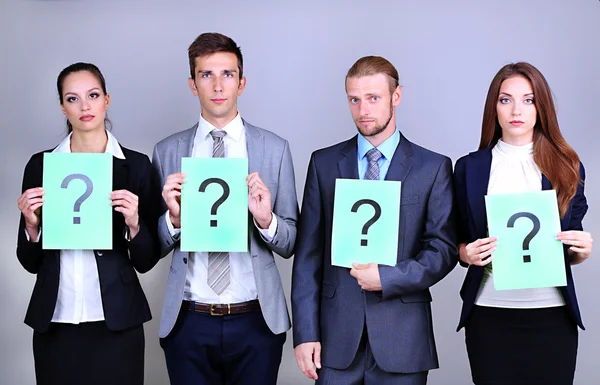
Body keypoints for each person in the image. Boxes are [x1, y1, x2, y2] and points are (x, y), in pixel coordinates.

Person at [291, 55, 458, 385]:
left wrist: (389, 277)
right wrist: (305, 333)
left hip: (402, 337)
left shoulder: (433, 167)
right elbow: (308, 255)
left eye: (373, 98)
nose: (363, 109)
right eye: (354, 99)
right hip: (335, 338)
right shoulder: (323, 164)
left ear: (396, 97)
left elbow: (443, 250)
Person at [152, 32, 298, 385]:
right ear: (193, 84)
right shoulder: (167, 151)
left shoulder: (274, 149)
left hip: (256, 320)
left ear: (241, 82)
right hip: (188, 321)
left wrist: (266, 220)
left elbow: (291, 241)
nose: (218, 85)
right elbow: (151, 247)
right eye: (206, 75)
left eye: (227, 74)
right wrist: (173, 220)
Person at [16, 62, 161, 385]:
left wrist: (135, 224)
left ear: (106, 100)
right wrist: (31, 225)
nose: (84, 106)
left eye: (93, 95)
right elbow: (29, 262)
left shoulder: (135, 165)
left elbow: (147, 260)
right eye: (72, 98)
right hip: (55, 321)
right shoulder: (41, 166)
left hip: (117, 322)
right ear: (62, 106)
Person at [454, 62, 594, 385]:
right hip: (489, 316)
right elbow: (452, 242)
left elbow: (566, 246)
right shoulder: (469, 169)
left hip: (551, 317)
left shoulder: (568, 166)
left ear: (541, 107)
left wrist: (581, 252)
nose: (517, 109)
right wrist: (466, 253)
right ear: (494, 107)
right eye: (506, 99)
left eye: (528, 100)